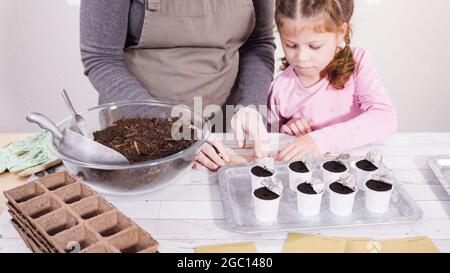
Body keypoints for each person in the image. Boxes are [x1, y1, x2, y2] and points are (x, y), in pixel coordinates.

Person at [80, 0, 275, 171]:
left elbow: (259, 43)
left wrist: (251, 104)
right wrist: (168, 130)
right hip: (140, 131)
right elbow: (101, 59)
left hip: (225, 127)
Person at [267, 0, 397, 161]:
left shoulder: (359, 63)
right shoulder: (279, 88)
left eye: (314, 46)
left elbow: (385, 118)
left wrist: (319, 141)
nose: (301, 58)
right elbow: (269, 146)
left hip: (357, 166)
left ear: (340, 32)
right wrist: (286, 133)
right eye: (291, 45)